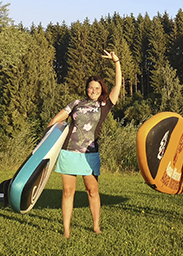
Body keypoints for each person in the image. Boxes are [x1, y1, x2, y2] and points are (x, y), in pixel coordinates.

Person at [47, 50, 121, 238]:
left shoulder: (104, 105)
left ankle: (96, 227)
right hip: (69, 153)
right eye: (90, 88)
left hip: (89, 155)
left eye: (97, 88)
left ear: (101, 89)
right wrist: (47, 135)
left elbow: (118, 86)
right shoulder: (76, 103)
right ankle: (66, 230)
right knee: (67, 191)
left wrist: (116, 62)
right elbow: (58, 119)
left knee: (92, 191)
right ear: (86, 89)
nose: (93, 91)